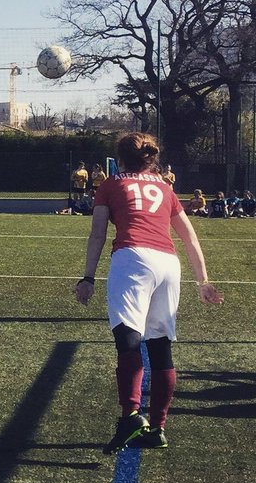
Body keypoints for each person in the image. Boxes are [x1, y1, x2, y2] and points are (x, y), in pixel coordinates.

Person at [75, 133, 223, 453]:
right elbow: (189, 237)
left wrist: (87, 277)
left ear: (121, 157)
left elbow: (97, 233)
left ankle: (130, 414)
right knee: (160, 348)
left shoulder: (110, 184)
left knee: (128, 339)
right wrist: (203, 281)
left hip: (133, 259)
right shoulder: (165, 187)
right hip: (169, 264)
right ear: (151, 158)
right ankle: (157, 427)